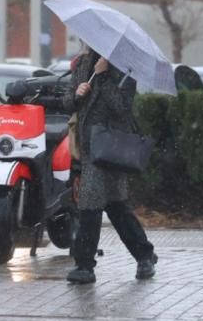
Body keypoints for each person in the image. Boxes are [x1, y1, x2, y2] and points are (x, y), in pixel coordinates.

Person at [59, 46, 157, 284]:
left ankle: (84, 265)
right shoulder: (82, 64)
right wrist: (76, 95)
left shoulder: (125, 68)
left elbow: (122, 108)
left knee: (90, 202)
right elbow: (67, 103)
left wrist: (103, 76)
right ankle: (145, 254)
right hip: (88, 146)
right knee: (115, 206)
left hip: (110, 147)